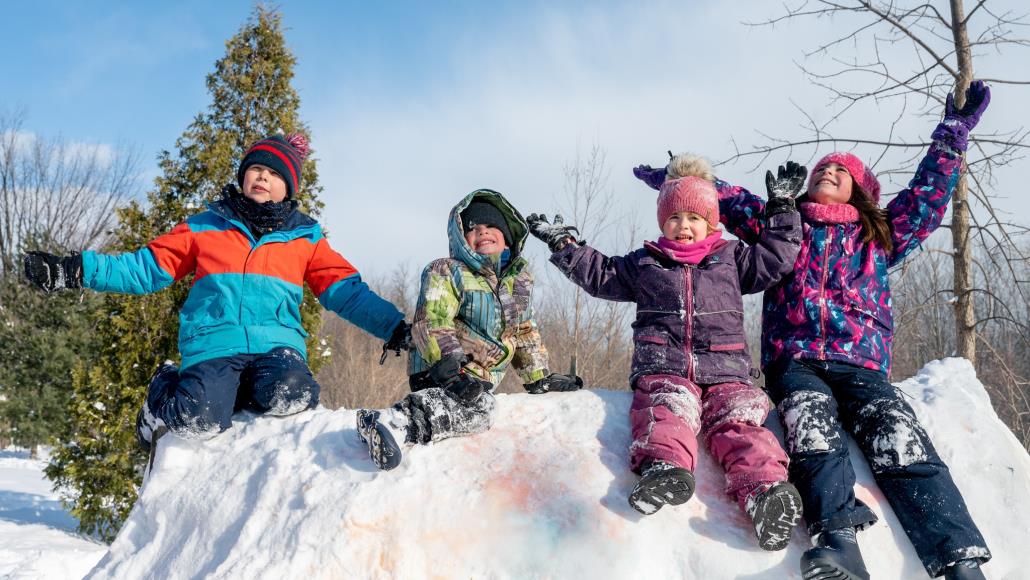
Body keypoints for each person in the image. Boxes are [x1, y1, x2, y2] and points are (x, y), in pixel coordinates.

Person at [634, 82, 992, 579]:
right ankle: (838, 542)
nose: (828, 170)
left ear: (862, 191)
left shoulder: (880, 234)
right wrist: (681, 182)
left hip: (861, 364)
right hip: (796, 362)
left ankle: (959, 561)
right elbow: (726, 205)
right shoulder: (786, 225)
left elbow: (929, 195)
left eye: (842, 170)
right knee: (809, 426)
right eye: (823, 166)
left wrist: (952, 135)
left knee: (901, 437)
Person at [23, 133, 410, 454]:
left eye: (273, 173)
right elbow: (143, 270)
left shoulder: (305, 238)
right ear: (243, 176)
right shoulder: (205, 227)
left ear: (288, 187)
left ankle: (238, 389)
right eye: (255, 168)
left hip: (277, 344)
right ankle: (162, 393)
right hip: (214, 344)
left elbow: (346, 291)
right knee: (200, 419)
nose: (261, 177)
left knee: (292, 394)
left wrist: (394, 326)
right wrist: (74, 270)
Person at [529, 154, 806, 551]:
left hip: (726, 369)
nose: (684, 226)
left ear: (711, 222)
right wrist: (565, 245)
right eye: (674, 218)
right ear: (663, 223)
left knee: (740, 425)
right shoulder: (646, 264)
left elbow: (775, 258)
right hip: (665, 366)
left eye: (694, 218)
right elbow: (601, 274)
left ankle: (766, 495)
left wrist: (781, 209)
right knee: (665, 409)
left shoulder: (731, 258)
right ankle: (665, 469)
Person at [356, 189, 582, 471]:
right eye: (473, 228)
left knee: (479, 403)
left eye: (491, 226)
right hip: (439, 369)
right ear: (461, 239)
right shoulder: (447, 271)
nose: (483, 232)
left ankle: (401, 420)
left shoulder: (520, 279)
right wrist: (449, 369)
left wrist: (539, 377)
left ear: (508, 235)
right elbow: (434, 320)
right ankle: (394, 423)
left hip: (478, 378)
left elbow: (523, 330)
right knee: (482, 411)